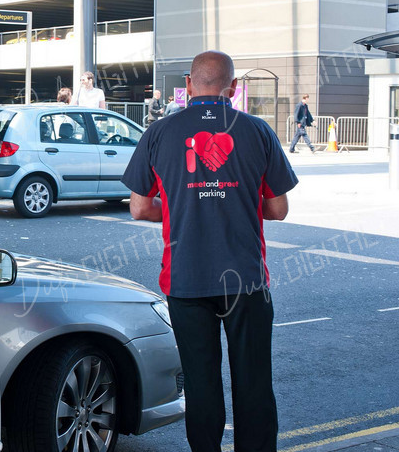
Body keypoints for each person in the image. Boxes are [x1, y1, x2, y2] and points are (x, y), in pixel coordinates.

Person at [121, 50, 298, 452]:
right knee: (254, 381)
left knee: (200, 383)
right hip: (246, 280)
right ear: (232, 88)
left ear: (188, 84)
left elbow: (140, 208)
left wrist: (182, 204)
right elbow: (278, 209)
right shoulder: (258, 131)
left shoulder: (159, 132)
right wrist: (235, 200)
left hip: (186, 278)